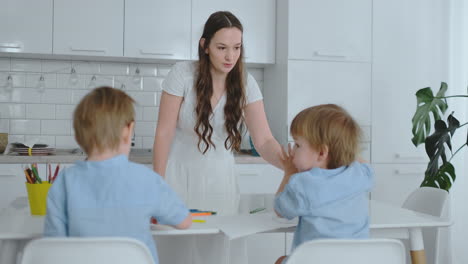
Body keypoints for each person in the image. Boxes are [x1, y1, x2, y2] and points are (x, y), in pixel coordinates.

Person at [152, 10, 283, 264]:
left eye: (236, 48)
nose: (230, 56)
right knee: (179, 251)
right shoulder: (182, 74)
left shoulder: (246, 81)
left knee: (217, 252)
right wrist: (158, 185)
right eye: (222, 47)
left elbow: (264, 140)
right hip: (179, 176)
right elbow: (164, 131)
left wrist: (289, 164)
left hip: (220, 180)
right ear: (205, 46)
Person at [43, 86, 192, 264]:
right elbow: (184, 221)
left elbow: (54, 248)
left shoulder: (63, 183)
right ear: (128, 131)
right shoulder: (146, 179)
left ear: (77, 135)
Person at [274, 104, 374, 264]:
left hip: (314, 261)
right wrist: (343, 149)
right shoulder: (360, 174)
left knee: (280, 261)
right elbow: (365, 165)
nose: (293, 150)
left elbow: (280, 209)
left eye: (298, 145)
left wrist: (289, 172)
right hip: (355, 261)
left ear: (321, 152)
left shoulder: (302, 184)